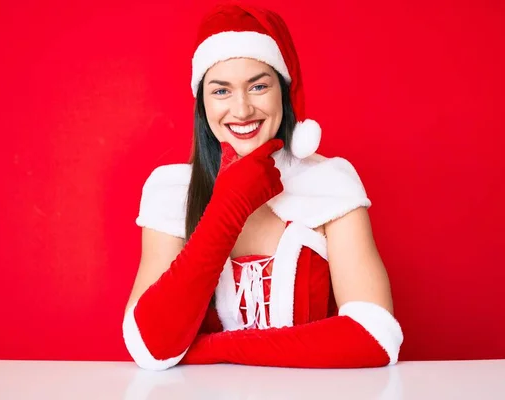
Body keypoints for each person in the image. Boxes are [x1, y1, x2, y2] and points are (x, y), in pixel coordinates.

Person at [122, 3, 403, 371]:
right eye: (220, 91)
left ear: (282, 93)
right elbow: (149, 346)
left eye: (258, 86)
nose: (241, 110)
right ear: (202, 103)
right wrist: (229, 204)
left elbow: (375, 338)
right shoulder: (171, 190)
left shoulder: (330, 184)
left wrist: (208, 349)